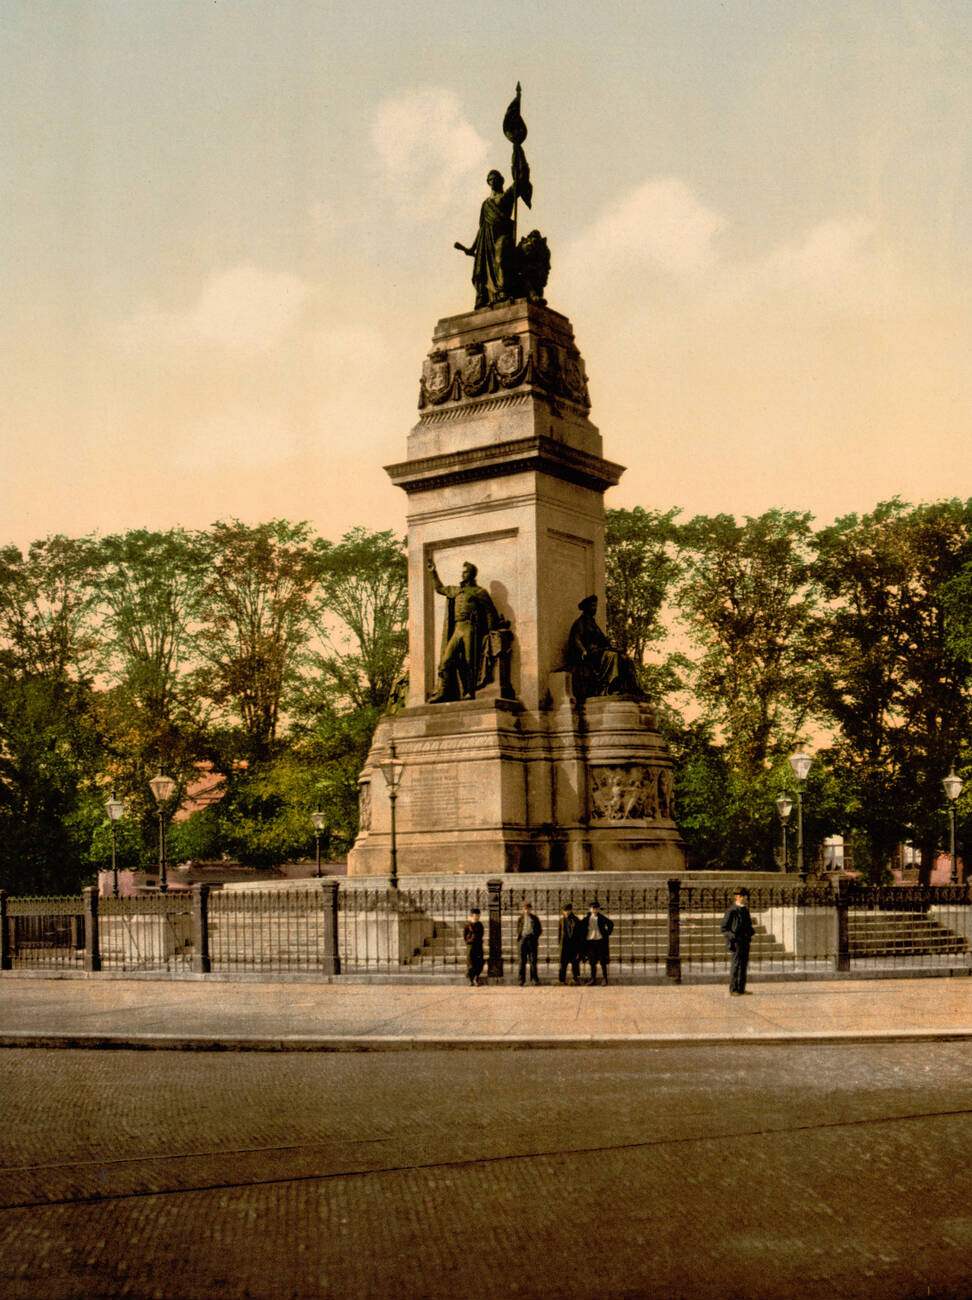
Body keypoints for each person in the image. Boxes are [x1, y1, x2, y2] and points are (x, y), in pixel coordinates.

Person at [427, 559, 507, 702]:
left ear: (472, 574)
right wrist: (433, 572)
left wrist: (490, 631)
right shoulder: (456, 590)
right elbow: (439, 589)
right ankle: (443, 691)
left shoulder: (480, 592)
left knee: (470, 661)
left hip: (470, 628)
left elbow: (490, 612)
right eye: (462, 572)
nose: (463, 575)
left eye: (466, 572)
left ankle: (469, 691)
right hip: (457, 628)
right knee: (445, 660)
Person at [455, 170, 518, 309]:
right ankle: (484, 297)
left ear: (501, 180)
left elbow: (519, 182)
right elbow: (482, 228)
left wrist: (518, 158)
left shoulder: (506, 196)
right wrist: (472, 247)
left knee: (500, 259)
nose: (493, 181)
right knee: (482, 270)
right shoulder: (485, 204)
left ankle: (502, 291)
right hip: (486, 240)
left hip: (502, 236)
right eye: (490, 180)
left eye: (495, 178)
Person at [565, 595, 643, 702]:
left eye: (595, 606)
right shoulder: (580, 622)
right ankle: (610, 687)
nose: (595, 609)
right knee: (612, 656)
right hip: (591, 653)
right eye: (592, 606)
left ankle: (630, 687)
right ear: (586, 607)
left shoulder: (593, 623)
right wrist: (583, 650)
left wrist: (614, 648)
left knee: (625, 658)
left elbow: (603, 640)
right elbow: (576, 639)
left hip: (600, 651)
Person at [721, 887, 756, 995]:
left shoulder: (745, 909)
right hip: (736, 942)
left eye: (745, 896)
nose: (745, 898)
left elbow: (748, 925)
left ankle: (741, 988)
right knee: (736, 964)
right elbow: (724, 928)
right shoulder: (731, 910)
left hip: (745, 940)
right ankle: (733, 989)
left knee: (743, 965)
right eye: (742, 896)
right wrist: (733, 937)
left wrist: (751, 933)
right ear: (737, 897)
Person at [583, 899, 614, 985]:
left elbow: (610, 923)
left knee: (602, 961)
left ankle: (605, 979)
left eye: (596, 908)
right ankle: (593, 979)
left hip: (600, 941)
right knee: (592, 962)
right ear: (590, 909)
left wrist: (607, 933)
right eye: (593, 908)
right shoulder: (587, 918)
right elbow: (581, 927)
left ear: (598, 909)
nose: (594, 910)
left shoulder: (601, 917)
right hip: (590, 942)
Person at [516, 900, 542, 986]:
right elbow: (518, 929)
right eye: (525, 909)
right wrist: (521, 936)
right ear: (523, 909)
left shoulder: (535, 918)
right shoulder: (520, 919)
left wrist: (534, 936)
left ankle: (534, 979)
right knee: (522, 961)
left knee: (533, 960)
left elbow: (539, 930)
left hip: (532, 940)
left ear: (531, 909)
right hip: (523, 940)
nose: (527, 910)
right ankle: (521, 980)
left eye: (528, 909)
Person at [558, 901, 582, 985]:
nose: (566, 912)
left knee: (575, 963)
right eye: (565, 910)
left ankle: (575, 979)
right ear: (563, 911)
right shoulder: (561, 920)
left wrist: (579, 947)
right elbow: (560, 933)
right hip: (564, 945)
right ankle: (562, 980)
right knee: (563, 963)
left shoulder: (576, 920)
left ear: (571, 910)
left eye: (568, 910)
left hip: (574, 945)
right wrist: (560, 944)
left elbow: (580, 935)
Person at [463, 907, 485, 986]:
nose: (477, 917)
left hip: (478, 945)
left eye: (478, 915)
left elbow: (481, 933)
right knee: (470, 962)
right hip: (471, 945)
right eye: (476, 915)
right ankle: (471, 979)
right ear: (472, 916)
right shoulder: (467, 925)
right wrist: (468, 941)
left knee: (479, 961)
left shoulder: (480, 925)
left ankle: (476, 977)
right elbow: (465, 934)